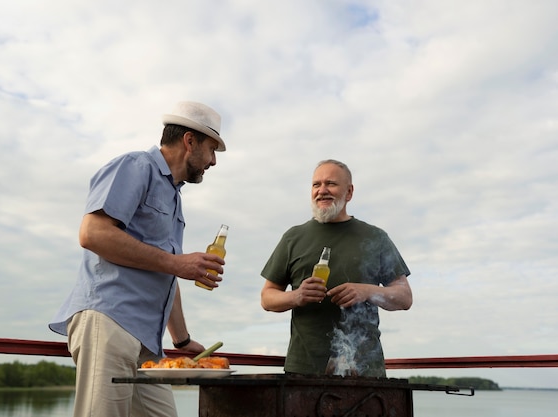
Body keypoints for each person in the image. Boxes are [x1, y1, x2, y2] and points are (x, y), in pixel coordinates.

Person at [48, 101, 228, 417]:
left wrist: (182, 340)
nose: (212, 161)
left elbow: (164, 270)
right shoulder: (136, 166)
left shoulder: (174, 196)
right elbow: (92, 234)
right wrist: (178, 263)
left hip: (147, 342)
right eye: (212, 149)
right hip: (109, 322)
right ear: (189, 141)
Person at [260, 159, 412, 378]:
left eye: (331, 184)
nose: (322, 191)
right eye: (316, 185)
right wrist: (297, 296)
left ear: (349, 192)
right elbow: (267, 297)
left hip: (364, 371)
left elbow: (404, 297)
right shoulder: (293, 237)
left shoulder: (376, 238)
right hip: (304, 369)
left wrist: (367, 291)